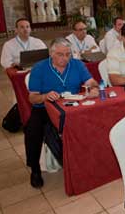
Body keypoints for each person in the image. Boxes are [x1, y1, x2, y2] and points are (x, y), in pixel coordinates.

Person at [27, 38, 99, 188]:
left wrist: (93, 88)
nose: (65, 58)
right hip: (44, 108)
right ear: (51, 54)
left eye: (68, 54)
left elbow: (92, 82)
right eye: (60, 54)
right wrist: (45, 96)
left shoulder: (77, 64)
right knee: (33, 130)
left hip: (72, 106)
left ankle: (88, 162)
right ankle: (35, 169)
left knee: (93, 121)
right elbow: (32, 97)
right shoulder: (39, 68)